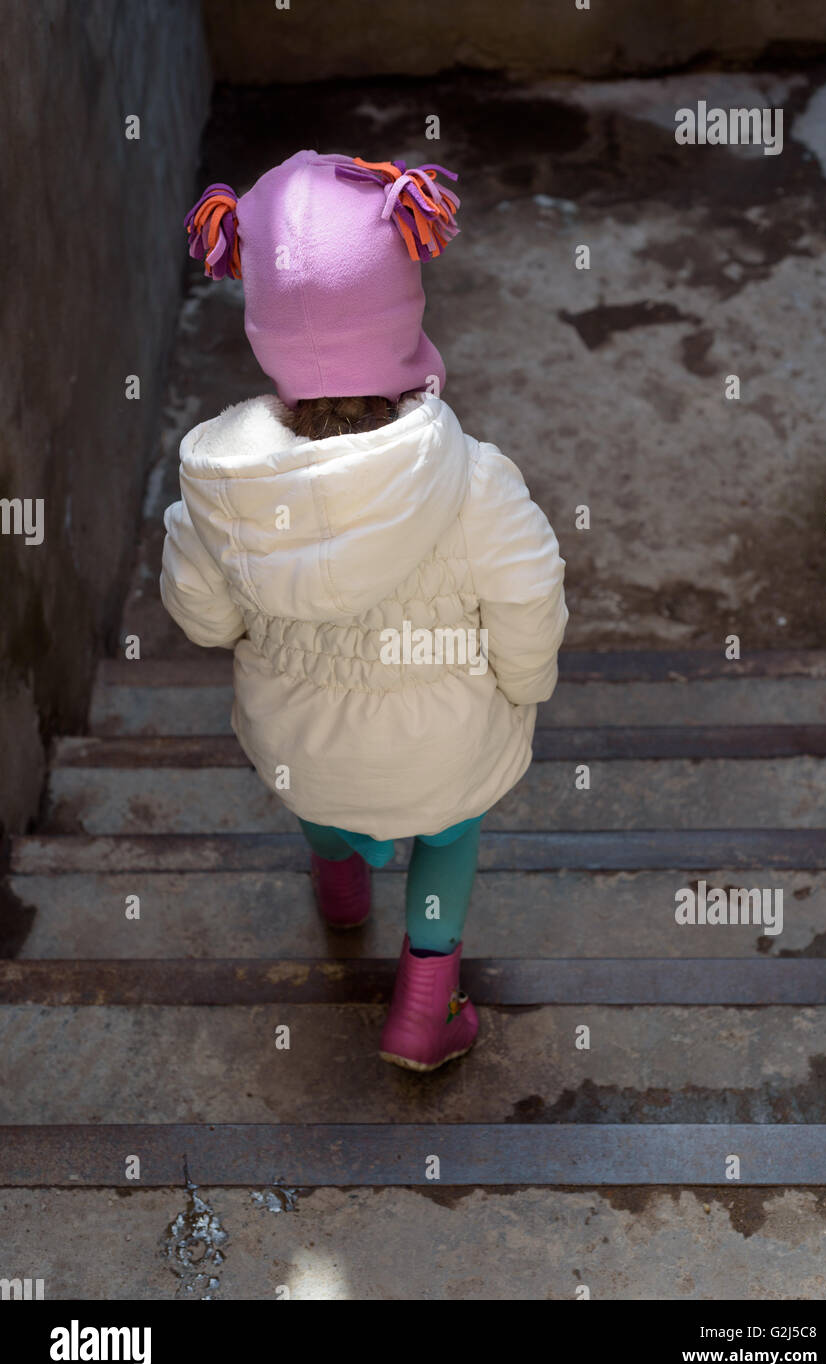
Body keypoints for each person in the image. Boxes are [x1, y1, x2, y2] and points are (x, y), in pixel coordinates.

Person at [160, 150, 567, 1071]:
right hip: (442, 744)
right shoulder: (478, 483)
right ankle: (425, 1008)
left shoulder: (218, 491)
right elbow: (527, 602)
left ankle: (340, 891)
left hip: (300, 750)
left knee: (325, 789)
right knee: (447, 828)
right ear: (403, 313)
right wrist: (522, 685)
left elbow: (204, 621)